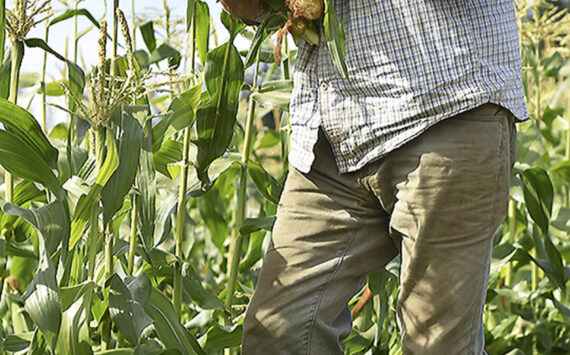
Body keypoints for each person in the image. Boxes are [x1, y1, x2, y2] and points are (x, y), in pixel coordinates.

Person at [221, 1, 527, 354]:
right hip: (331, 135)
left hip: (444, 106)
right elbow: (257, 11)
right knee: (278, 333)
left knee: (437, 345)